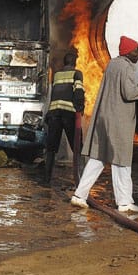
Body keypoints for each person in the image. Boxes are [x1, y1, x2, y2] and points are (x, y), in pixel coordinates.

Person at [70, 36, 138, 213]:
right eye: (136, 50)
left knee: (98, 158)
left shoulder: (113, 64)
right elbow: (129, 93)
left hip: (106, 118)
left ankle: (79, 195)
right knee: (122, 160)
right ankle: (124, 202)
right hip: (119, 120)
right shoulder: (126, 67)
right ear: (128, 52)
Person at [44, 51, 86, 185]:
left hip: (54, 113)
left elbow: (53, 94)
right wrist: (80, 108)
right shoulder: (77, 73)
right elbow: (79, 92)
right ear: (74, 63)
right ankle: (81, 178)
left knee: (51, 148)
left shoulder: (57, 74)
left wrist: (48, 113)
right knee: (77, 146)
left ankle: (46, 179)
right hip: (69, 114)